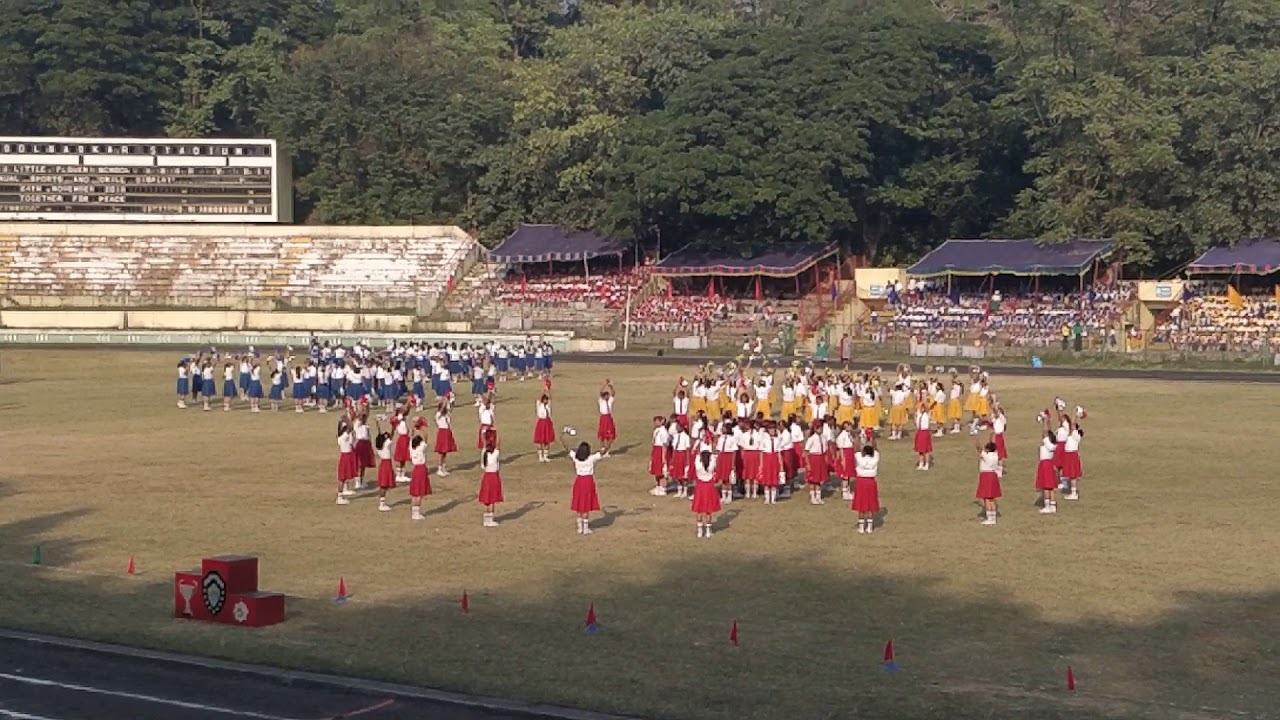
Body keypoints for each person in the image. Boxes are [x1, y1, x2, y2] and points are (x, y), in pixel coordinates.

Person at [560, 433, 606, 535]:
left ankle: (580, 528)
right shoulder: (591, 458)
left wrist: (563, 436)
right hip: (588, 482)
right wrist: (605, 445)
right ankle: (585, 528)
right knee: (586, 506)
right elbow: (603, 452)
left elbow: (567, 448)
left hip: (579, 481)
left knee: (579, 504)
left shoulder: (575, 457)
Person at [851, 434, 881, 534]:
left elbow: (856, 448)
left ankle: (861, 527)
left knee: (861, 505)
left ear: (863, 452)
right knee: (870, 504)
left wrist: (857, 437)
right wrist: (872, 439)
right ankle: (869, 527)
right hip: (871, 482)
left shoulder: (860, 458)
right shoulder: (875, 458)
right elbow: (876, 449)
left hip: (861, 482)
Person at [690, 449, 721, 538]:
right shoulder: (711, 465)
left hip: (700, 486)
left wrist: (699, 454)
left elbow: (696, 457)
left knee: (699, 509)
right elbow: (714, 460)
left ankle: (700, 532)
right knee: (708, 510)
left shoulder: (698, 466)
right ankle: (708, 532)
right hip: (709, 486)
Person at [974, 435, 1002, 526]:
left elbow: (979, 448)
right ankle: (993, 518)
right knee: (992, 498)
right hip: (993, 475)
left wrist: (976, 438)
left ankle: (989, 518)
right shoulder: (995, 455)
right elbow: (992, 445)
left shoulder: (987, 455)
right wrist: (991, 437)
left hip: (986, 476)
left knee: (987, 498)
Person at [478, 439, 504, 527]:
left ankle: (486, 520)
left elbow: (484, 448)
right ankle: (490, 520)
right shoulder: (495, 454)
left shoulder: (484, 456)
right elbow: (498, 445)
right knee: (492, 499)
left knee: (486, 500)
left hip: (486, 478)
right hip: (493, 478)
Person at [408, 433, 432, 521]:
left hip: (415, 470)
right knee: (419, 493)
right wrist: (422, 429)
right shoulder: (421, 448)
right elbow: (426, 438)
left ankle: (414, 513)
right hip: (421, 469)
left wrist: (414, 431)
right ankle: (417, 513)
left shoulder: (411, 448)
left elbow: (411, 440)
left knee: (415, 493)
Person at [804, 422, 828, 505]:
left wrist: (825, 461)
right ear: (815, 429)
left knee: (819, 479)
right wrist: (808, 464)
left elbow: (825, 450)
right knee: (812, 479)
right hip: (813, 458)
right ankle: (813, 497)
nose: (820, 430)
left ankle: (818, 497)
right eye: (818, 428)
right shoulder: (811, 438)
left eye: (821, 428)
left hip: (821, 458)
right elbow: (806, 451)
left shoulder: (824, 437)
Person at [335, 421, 359, 506]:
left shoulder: (341, 436)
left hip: (345, 456)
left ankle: (341, 494)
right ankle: (339, 497)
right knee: (342, 478)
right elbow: (350, 428)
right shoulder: (344, 436)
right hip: (346, 457)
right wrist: (350, 419)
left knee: (343, 477)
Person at [1061, 416, 1084, 500]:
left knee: (1073, 475)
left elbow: (1072, 425)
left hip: (1072, 455)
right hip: (1069, 455)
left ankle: (1074, 493)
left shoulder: (1075, 435)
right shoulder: (1072, 434)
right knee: (1071, 475)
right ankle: (1072, 491)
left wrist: (1077, 416)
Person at [374, 427, 396, 512]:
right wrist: (393, 428)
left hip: (383, 464)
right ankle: (382, 504)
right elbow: (391, 437)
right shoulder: (386, 444)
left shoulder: (379, 447)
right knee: (384, 484)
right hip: (386, 464)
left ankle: (382, 502)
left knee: (384, 484)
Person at [435, 400, 459, 476]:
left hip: (447, 432)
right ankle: (439, 469)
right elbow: (442, 410)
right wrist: (445, 402)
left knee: (445, 452)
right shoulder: (438, 414)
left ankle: (443, 468)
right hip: (442, 432)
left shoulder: (446, 415)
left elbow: (451, 409)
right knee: (441, 452)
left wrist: (452, 402)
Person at [648, 416, 670, 496]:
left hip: (660, 450)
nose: (655, 423)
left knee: (662, 470)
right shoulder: (656, 430)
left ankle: (663, 488)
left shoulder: (664, 432)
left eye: (657, 421)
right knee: (656, 469)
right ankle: (658, 486)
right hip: (656, 449)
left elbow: (665, 445)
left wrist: (663, 456)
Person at [533, 391, 556, 462]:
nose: (546, 401)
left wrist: (547, 390)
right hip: (541, 422)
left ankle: (545, 456)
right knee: (540, 440)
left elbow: (550, 397)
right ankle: (540, 456)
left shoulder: (548, 405)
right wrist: (543, 391)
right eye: (545, 399)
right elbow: (539, 398)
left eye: (546, 400)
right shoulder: (539, 405)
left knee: (547, 440)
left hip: (547, 422)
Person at [597, 381, 617, 456]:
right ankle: (602, 448)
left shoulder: (610, 401)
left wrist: (611, 387)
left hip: (609, 418)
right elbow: (600, 392)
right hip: (603, 418)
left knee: (611, 435)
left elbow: (613, 393)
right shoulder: (601, 401)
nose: (607, 397)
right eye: (605, 395)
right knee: (602, 434)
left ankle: (606, 449)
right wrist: (605, 385)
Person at [914, 401, 934, 471]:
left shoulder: (926, 415)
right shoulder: (919, 415)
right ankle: (921, 463)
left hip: (925, 432)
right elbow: (916, 423)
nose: (921, 409)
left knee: (926, 450)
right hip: (919, 432)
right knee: (920, 450)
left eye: (922, 408)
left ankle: (927, 464)